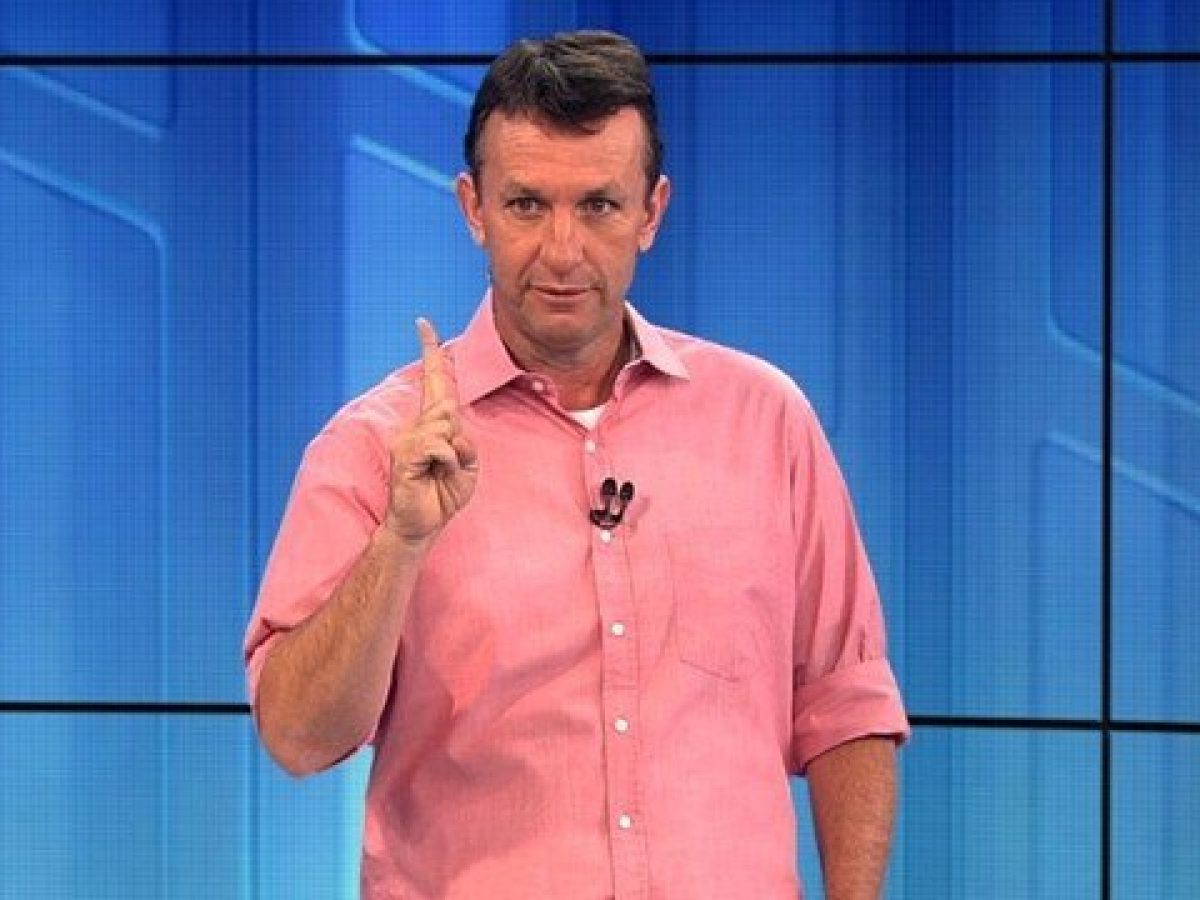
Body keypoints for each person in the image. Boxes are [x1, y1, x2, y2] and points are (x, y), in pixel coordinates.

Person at [245, 29, 909, 899]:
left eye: (598, 205)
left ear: (652, 212)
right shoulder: (378, 446)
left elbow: (845, 701)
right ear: (473, 208)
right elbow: (297, 737)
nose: (562, 251)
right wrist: (400, 544)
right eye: (527, 205)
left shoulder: (765, 420)